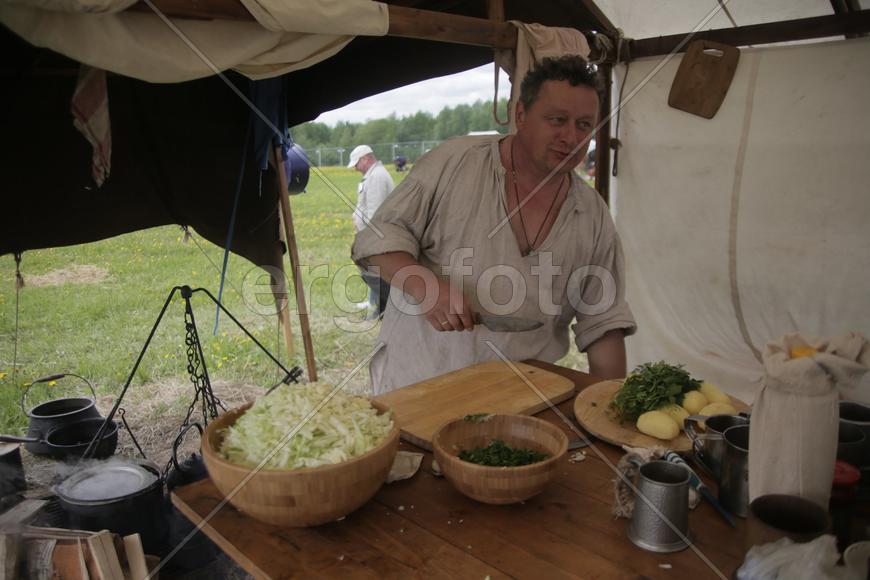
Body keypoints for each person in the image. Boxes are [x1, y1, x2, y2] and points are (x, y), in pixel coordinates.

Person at [352, 56, 636, 394]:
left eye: (584, 125)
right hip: (420, 386)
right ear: (520, 115)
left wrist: (613, 405)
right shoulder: (454, 162)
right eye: (557, 120)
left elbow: (604, 324)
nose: (571, 137)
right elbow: (377, 241)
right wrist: (424, 286)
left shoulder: (592, 214)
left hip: (522, 400)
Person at [348, 144, 394, 319]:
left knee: (374, 274)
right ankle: (379, 309)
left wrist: (367, 238)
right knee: (375, 274)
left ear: (365, 159)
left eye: (356, 164)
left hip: (374, 236)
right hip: (372, 235)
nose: (355, 168)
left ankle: (384, 310)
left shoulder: (376, 177)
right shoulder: (374, 175)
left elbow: (375, 212)